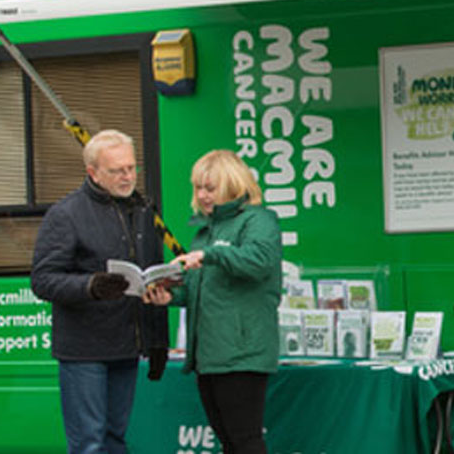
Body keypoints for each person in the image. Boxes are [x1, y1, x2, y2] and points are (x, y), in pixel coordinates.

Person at [31, 129, 169, 454]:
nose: (128, 176)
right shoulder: (66, 214)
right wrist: (91, 286)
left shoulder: (143, 210)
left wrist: (157, 339)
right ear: (92, 172)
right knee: (89, 443)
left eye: (131, 168)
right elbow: (43, 280)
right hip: (85, 350)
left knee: (115, 439)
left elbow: (151, 273)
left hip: (127, 345)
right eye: (117, 170)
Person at [144, 149, 282, 454]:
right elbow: (202, 289)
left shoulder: (259, 220)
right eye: (198, 188)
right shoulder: (205, 230)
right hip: (208, 355)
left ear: (233, 184)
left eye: (210, 188)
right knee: (230, 441)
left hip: (242, 352)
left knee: (245, 440)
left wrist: (211, 254)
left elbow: (259, 260)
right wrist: (170, 296)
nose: (203, 195)